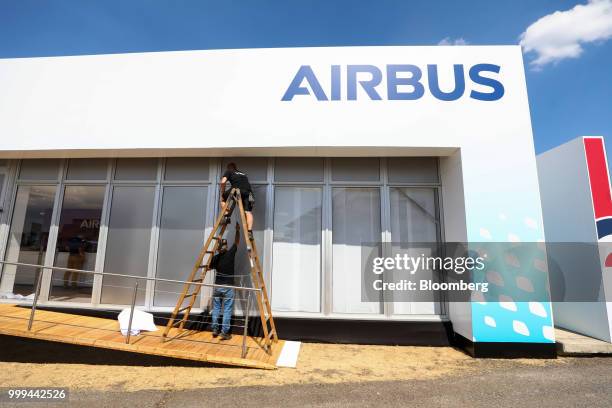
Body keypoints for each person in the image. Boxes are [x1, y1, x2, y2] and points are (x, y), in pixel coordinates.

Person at [209, 222, 241, 340]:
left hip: (217, 286)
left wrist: (214, 255)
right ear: (226, 247)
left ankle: (214, 329)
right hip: (228, 287)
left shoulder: (216, 257)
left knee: (217, 307)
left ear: (218, 248)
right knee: (227, 309)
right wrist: (237, 230)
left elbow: (208, 267)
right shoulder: (230, 254)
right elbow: (237, 242)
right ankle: (224, 332)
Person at [220, 162, 255, 240]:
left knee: (223, 199)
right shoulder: (243, 174)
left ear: (229, 167)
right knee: (248, 212)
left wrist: (222, 192)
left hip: (237, 190)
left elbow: (223, 182)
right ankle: (250, 232)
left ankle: (226, 217)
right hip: (249, 194)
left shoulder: (229, 171)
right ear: (236, 168)